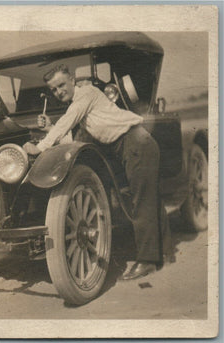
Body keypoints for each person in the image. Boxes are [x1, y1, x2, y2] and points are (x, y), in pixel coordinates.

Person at [23, 64, 162, 281]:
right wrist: (49, 129)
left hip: (136, 143)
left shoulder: (86, 93)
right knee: (143, 198)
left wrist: (40, 147)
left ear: (72, 80)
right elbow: (73, 139)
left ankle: (147, 261)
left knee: (141, 200)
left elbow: (68, 120)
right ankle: (157, 254)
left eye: (61, 85)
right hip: (131, 146)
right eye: (54, 90)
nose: (59, 91)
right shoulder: (82, 107)